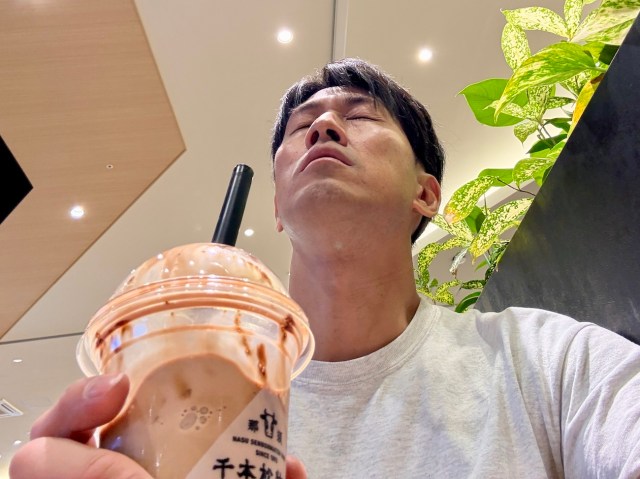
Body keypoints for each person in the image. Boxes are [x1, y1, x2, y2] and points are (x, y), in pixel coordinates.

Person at [10, 58, 640, 478]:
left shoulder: (548, 362)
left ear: (426, 194)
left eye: (360, 116)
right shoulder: (176, 401)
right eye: (301, 127)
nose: (325, 127)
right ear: (277, 208)